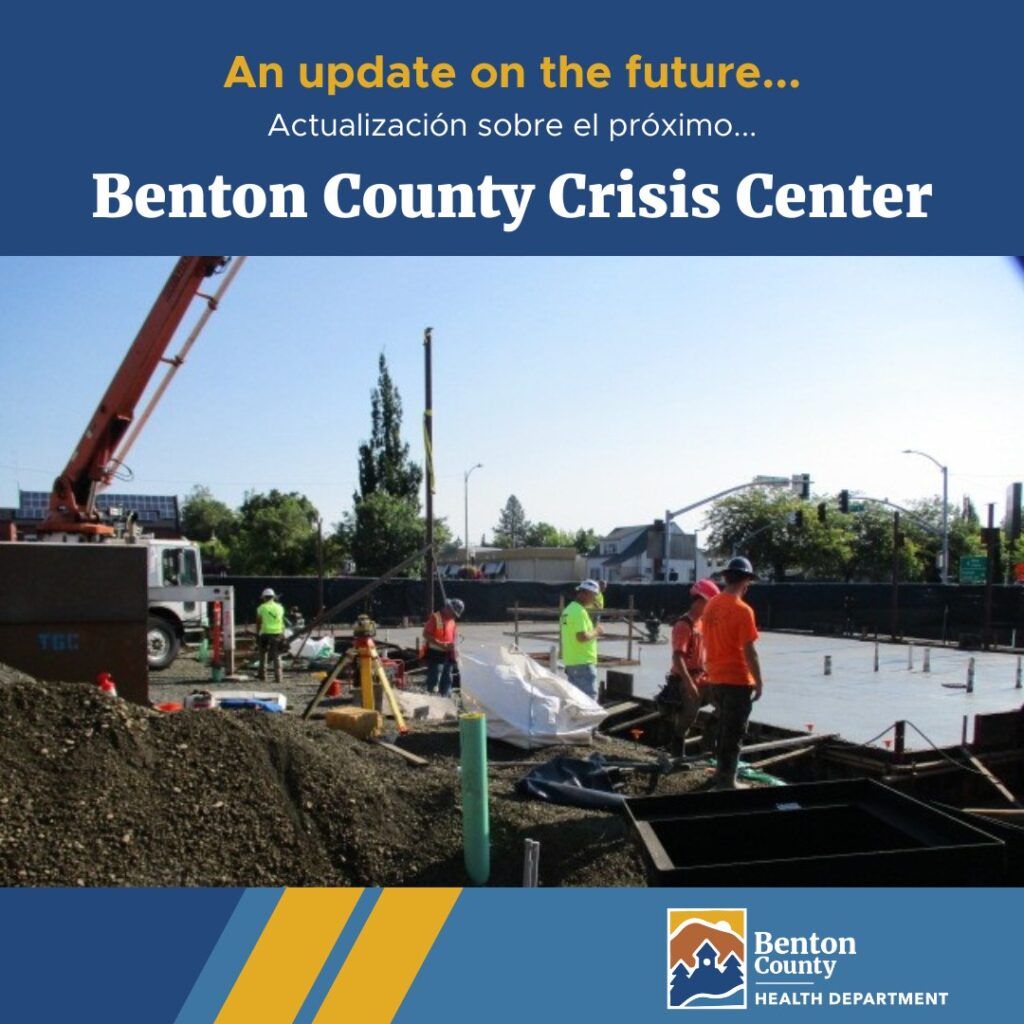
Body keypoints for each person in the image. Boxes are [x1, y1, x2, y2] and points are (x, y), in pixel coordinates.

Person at [700, 557, 764, 789]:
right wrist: (759, 682)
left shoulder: (711, 605)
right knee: (734, 732)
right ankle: (727, 780)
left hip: (715, 678)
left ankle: (720, 773)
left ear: (726, 578)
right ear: (745, 581)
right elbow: (750, 651)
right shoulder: (742, 610)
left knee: (723, 728)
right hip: (736, 680)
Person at [656, 578, 720, 755]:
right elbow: (678, 658)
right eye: (710, 603)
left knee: (724, 704)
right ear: (700, 600)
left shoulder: (702, 623)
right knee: (687, 718)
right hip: (686, 679)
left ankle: (708, 741)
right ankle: (677, 753)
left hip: (702, 676)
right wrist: (689, 683)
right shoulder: (684, 625)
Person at [560, 580, 604, 698]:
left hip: (572, 662)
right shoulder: (579, 612)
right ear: (585, 593)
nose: (594, 600)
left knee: (575, 699)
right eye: (593, 596)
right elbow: (581, 637)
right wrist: (597, 631)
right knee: (588, 700)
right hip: (583, 663)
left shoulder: (568, 610)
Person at [423, 598, 464, 697]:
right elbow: (426, 634)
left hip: (448, 655)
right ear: (448, 608)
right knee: (434, 678)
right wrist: (442, 644)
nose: (454, 616)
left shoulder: (452, 620)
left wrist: (454, 652)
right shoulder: (436, 617)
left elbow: (453, 636)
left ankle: (444, 698)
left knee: (447, 679)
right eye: (453, 613)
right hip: (435, 653)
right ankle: (432, 698)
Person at [255, 587, 286, 684]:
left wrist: (257, 633)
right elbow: (281, 621)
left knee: (263, 654)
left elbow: (258, 622)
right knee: (277, 656)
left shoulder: (261, 608)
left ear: (264, 597)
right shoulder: (280, 607)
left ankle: (262, 676)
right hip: (278, 633)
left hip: (265, 633)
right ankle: (279, 677)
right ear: (273, 597)